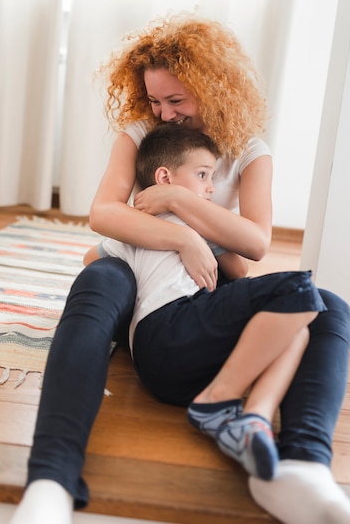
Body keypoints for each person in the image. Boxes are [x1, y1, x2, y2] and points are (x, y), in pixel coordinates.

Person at [10, 12, 350, 524]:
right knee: (99, 276)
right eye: (155, 100)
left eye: (176, 100)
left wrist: (183, 206)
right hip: (139, 270)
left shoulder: (250, 152)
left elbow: (254, 245)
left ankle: (302, 469)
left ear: (214, 86)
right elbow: (103, 216)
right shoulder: (143, 132)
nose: (164, 112)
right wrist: (182, 237)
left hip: (206, 285)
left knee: (330, 306)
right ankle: (51, 476)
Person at [84, 122, 322, 482]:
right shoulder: (143, 223)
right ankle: (217, 404)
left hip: (169, 371)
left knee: (296, 327)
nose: (210, 187)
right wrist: (181, 237)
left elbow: (238, 269)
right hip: (166, 327)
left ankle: (253, 418)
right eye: (202, 175)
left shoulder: (194, 223)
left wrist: (202, 226)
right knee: (298, 290)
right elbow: (94, 258)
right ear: (164, 177)